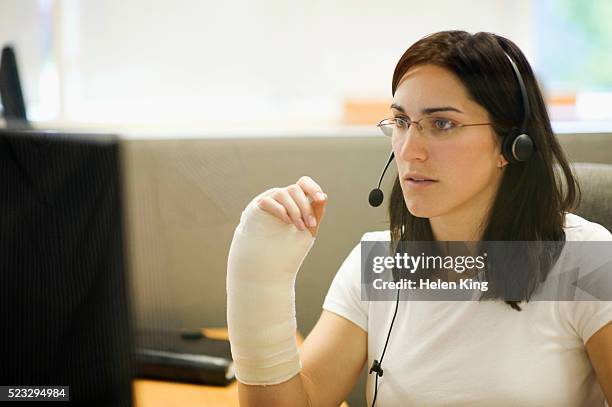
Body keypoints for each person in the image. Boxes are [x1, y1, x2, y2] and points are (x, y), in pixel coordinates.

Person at [226, 30, 612, 406]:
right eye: (401, 122)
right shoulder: (379, 263)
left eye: (442, 124)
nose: (410, 151)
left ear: (513, 145)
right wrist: (259, 277)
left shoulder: (587, 262)